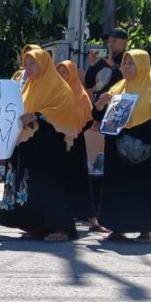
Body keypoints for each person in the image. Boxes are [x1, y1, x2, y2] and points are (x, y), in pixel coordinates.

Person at [0, 49, 79, 242]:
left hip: (49, 146)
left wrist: (37, 115)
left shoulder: (59, 87)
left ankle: (60, 228)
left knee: (50, 186)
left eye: (33, 63)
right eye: (26, 64)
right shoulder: (28, 87)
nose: (28, 68)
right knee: (30, 186)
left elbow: (65, 110)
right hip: (28, 145)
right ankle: (36, 226)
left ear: (44, 64)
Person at [93, 50, 151, 243]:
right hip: (116, 150)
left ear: (142, 65)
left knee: (142, 189)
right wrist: (99, 105)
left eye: (131, 63)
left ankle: (145, 230)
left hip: (143, 150)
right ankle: (117, 227)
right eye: (125, 63)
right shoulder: (118, 88)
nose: (126, 67)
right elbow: (100, 118)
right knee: (117, 188)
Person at [56, 60, 104, 232]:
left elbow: (88, 119)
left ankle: (92, 220)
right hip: (58, 143)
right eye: (58, 72)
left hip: (75, 144)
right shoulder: (54, 93)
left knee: (80, 181)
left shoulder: (80, 95)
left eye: (64, 72)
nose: (61, 76)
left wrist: (71, 128)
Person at [85, 27, 129, 96]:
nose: (111, 45)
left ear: (125, 41)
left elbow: (126, 81)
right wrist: (92, 65)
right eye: (108, 42)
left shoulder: (130, 59)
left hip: (120, 100)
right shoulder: (104, 60)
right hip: (101, 102)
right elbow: (88, 84)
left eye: (114, 41)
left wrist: (113, 66)